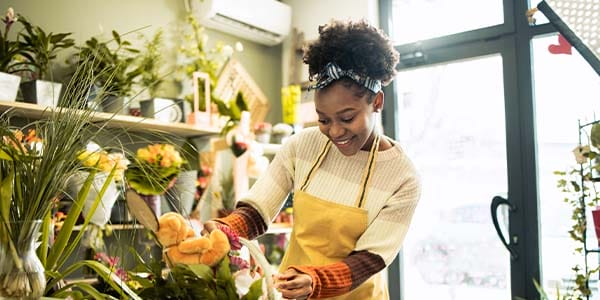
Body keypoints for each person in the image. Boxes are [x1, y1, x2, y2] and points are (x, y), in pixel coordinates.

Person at [204, 19, 421, 299]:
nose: (335, 131)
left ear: (377, 102)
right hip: (293, 291)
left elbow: (371, 259)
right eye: (323, 119)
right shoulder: (301, 146)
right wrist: (227, 229)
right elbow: (258, 211)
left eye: (347, 118)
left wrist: (316, 280)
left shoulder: (402, 177)